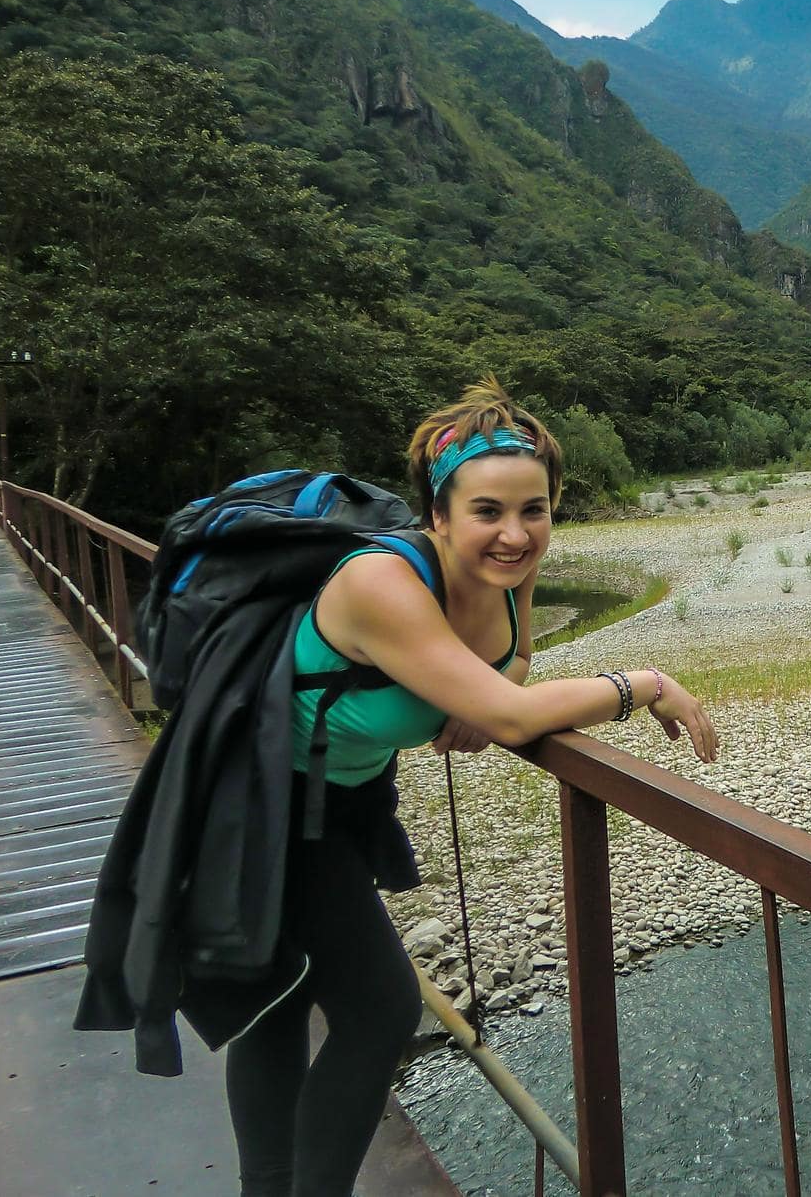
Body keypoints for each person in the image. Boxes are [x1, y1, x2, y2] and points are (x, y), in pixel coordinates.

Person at [225, 380, 719, 1197]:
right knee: (379, 1010)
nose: (516, 534)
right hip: (259, 795)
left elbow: (513, 663)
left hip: (343, 793)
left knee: (286, 987)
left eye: (535, 511)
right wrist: (645, 683)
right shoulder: (381, 582)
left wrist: (471, 696)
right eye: (488, 511)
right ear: (439, 515)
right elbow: (516, 714)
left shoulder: (509, 567)